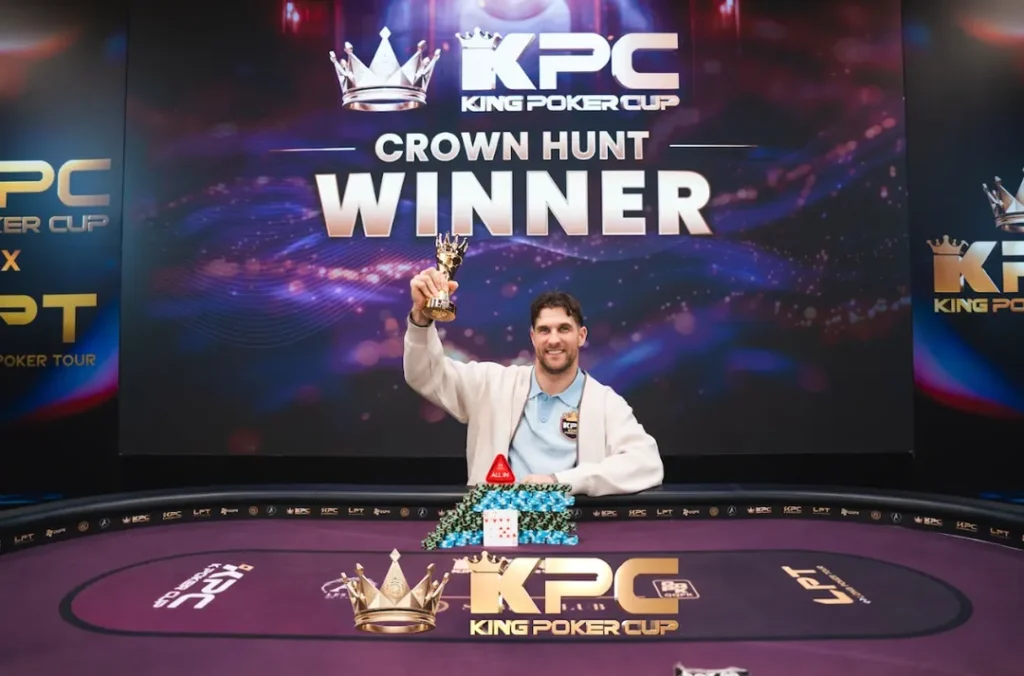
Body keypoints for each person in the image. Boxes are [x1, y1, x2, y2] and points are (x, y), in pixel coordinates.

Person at [403, 267, 664, 496]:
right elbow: (425, 374)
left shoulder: (605, 402)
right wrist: (421, 317)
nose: (554, 340)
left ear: (581, 335)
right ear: (532, 337)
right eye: (544, 330)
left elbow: (647, 463)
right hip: (495, 526)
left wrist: (560, 481)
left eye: (564, 329)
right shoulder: (492, 384)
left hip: (573, 527)